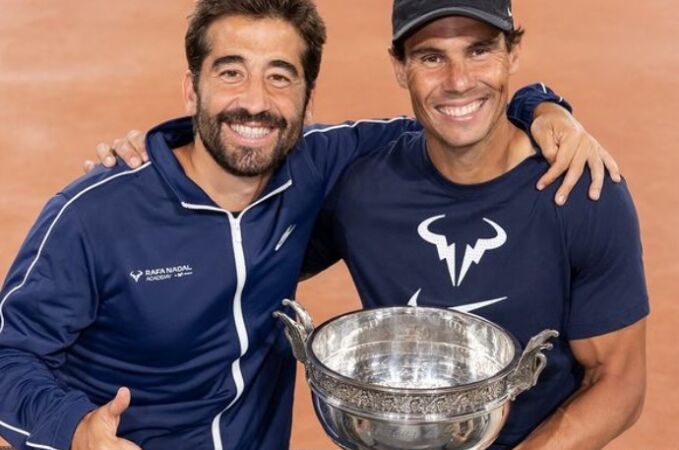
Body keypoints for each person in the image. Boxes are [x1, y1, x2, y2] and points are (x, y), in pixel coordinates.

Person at [0, 1, 619, 450]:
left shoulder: (321, 163)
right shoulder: (95, 214)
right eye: (230, 71)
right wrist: (77, 431)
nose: (256, 100)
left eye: (280, 76)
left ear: (307, 98)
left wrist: (542, 107)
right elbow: (8, 357)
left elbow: (454, 112)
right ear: (191, 89)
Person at [302, 1, 648, 449]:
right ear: (399, 67)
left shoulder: (579, 192)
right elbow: (259, 260)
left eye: (479, 51)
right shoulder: (360, 187)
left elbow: (618, 381)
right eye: (431, 57)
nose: (458, 81)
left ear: (513, 53)